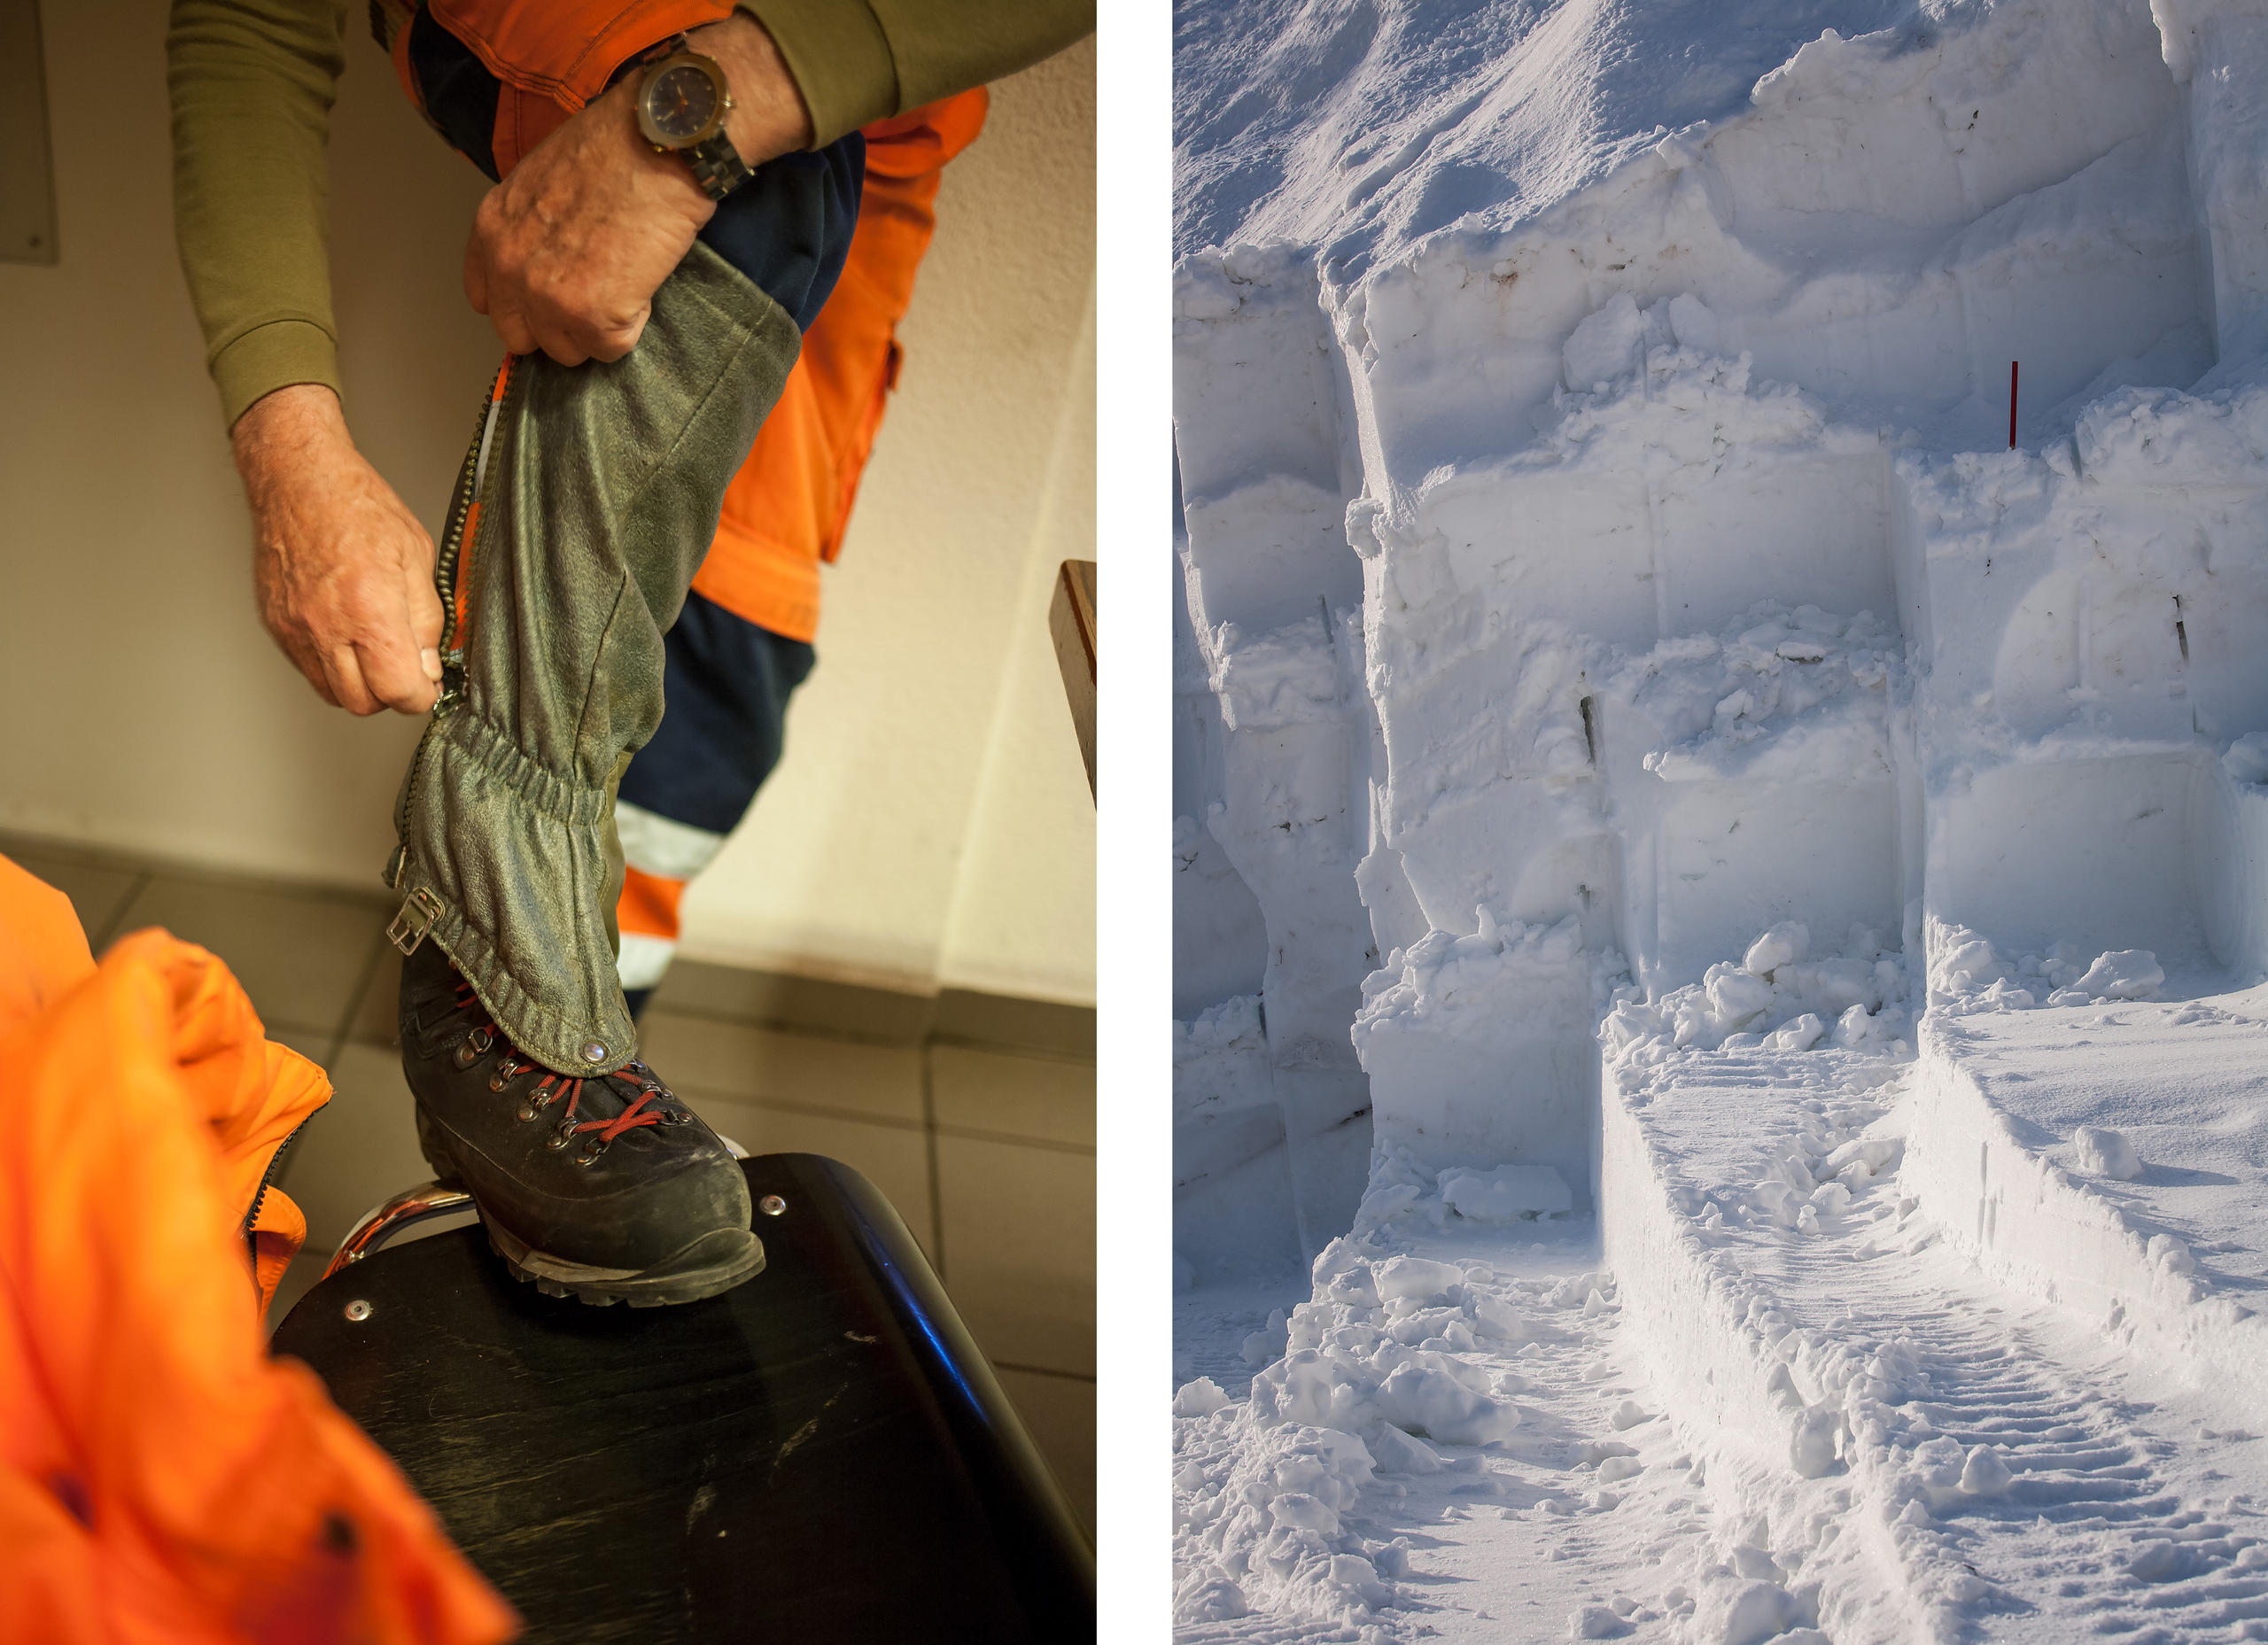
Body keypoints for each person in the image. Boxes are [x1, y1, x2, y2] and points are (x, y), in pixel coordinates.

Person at [167, 0, 1092, 1307]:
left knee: (712, 717)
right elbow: (243, 22)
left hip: (862, 117)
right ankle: (501, 988)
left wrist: (739, 92)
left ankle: (583, 1045)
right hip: (670, 80)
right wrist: (291, 454)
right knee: (571, 709)